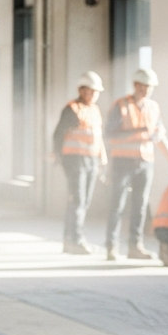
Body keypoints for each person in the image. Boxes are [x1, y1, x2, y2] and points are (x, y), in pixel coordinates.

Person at [104, 67, 168, 260]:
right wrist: (139, 131)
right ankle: (111, 246)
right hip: (123, 161)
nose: (146, 90)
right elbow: (110, 134)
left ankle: (135, 246)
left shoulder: (153, 107)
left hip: (144, 163)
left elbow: (160, 138)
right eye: (143, 86)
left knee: (140, 205)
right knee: (117, 204)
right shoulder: (121, 105)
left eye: (150, 87)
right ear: (135, 85)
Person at [51, 71, 107, 255]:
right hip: (75, 160)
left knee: (84, 201)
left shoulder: (95, 110)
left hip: (91, 160)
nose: (92, 94)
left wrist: (102, 159)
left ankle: (70, 239)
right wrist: (59, 156)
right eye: (89, 91)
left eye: (95, 91)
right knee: (78, 199)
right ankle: (75, 239)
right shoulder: (72, 109)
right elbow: (58, 134)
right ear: (81, 90)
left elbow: (98, 136)